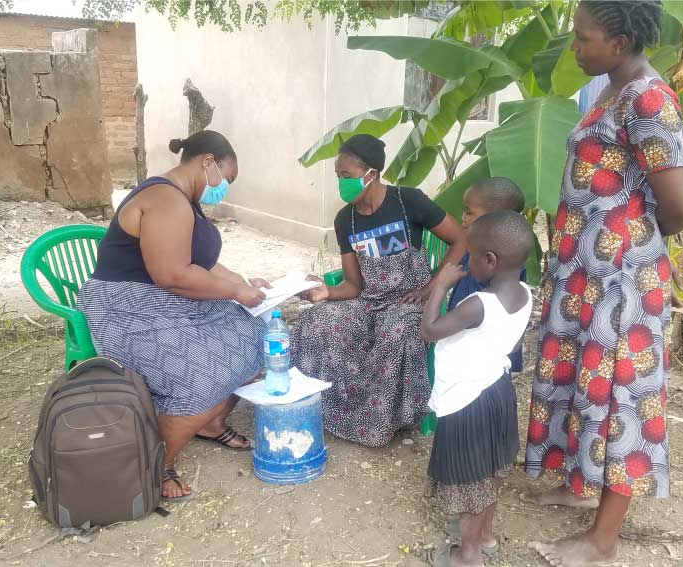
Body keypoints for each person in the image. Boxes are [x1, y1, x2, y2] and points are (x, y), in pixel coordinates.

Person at [523, 1, 683, 566]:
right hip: (586, 273)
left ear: (619, 43)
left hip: (621, 279)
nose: (574, 47)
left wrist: (631, 239)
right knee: (586, 382)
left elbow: (680, 206)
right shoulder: (611, 89)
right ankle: (579, 483)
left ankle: (603, 539)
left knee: (620, 394)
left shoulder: (648, 99)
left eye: (583, 38)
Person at [77, 130, 271, 502]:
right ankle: (155, 463)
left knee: (259, 334)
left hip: (165, 300)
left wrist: (247, 285)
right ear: (207, 162)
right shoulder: (165, 199)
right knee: (201, 376)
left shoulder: (186, 200)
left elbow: (203, 265)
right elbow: (173, 274)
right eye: (226, 179)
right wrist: (235, 292)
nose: (224, 189)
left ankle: (211, 422)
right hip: (129, 307)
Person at [292, 134, 467, 447]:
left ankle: (378, 421)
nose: (341, 183)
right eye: (338, 176)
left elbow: (460, 240)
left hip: (411, 300)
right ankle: (324, 406)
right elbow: (353, 285)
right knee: (315, 321)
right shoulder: (345, 220)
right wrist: (326, 293)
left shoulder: (407, 201)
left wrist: (431, 288)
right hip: (369, 301)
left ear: (371, 174)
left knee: (394, 330)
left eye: (346, 176)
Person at [420, 211, 534, 567]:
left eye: (470, 255)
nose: (466, 262)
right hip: (499, 391)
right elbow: (513, 344)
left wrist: (441, 285)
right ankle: (484, 537)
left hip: (468, 400)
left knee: (472, 479)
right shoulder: (526, 294)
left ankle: (467, 556)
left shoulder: (478, 305)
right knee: (491, 472)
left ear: (490, 260)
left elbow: (429, 330)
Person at [448, 177, 528, 375]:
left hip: (480, 359)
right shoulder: (482, 251)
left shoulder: (498, 264)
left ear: (494, 217)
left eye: (469, 212)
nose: (463, 217)